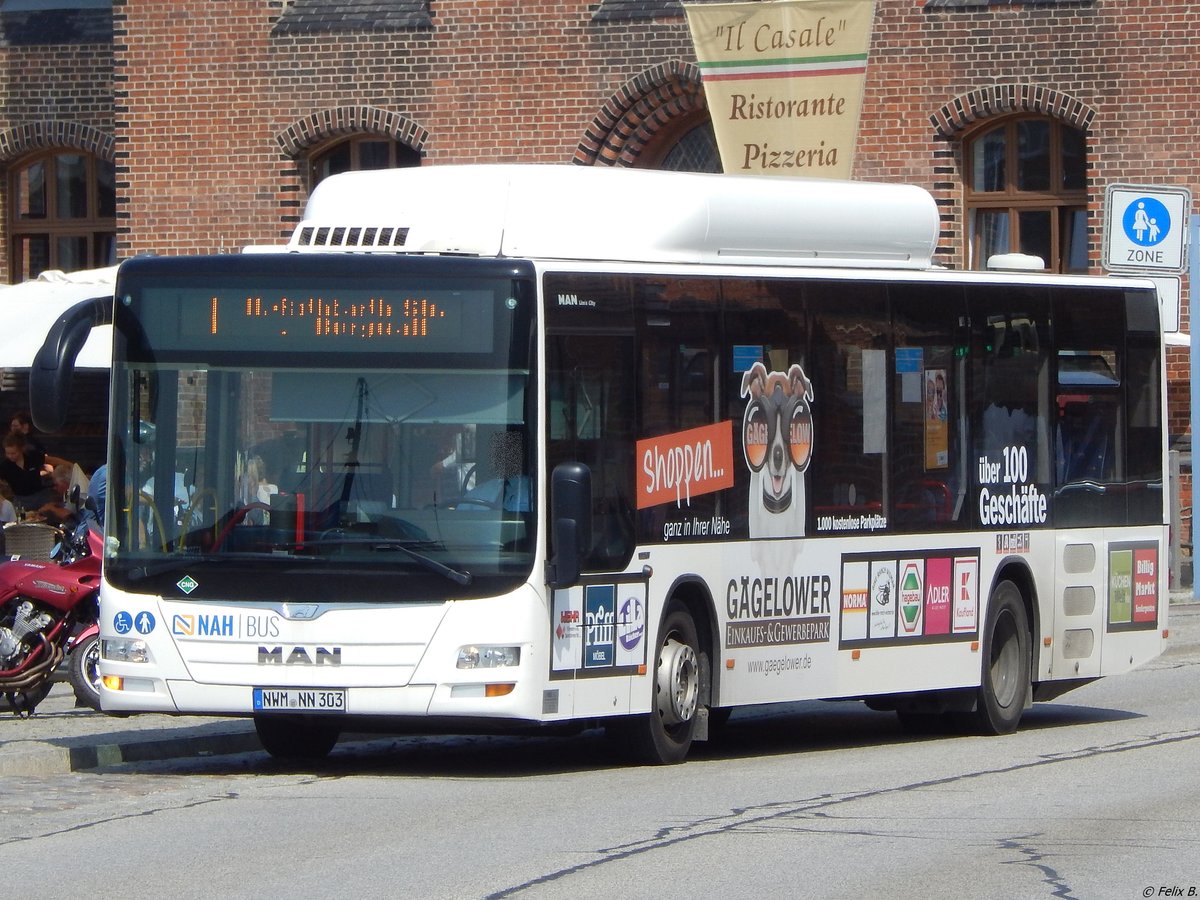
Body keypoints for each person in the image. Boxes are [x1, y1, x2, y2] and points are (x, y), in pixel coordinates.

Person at [0, 431, 68, 507]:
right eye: (8, 453)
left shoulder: (31, 456)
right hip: (21, 500)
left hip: (41, 496)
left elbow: (51, 460)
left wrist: (71, 465)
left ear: (21, 449)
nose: (10, 456)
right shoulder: (5, 466)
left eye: (13, 453)